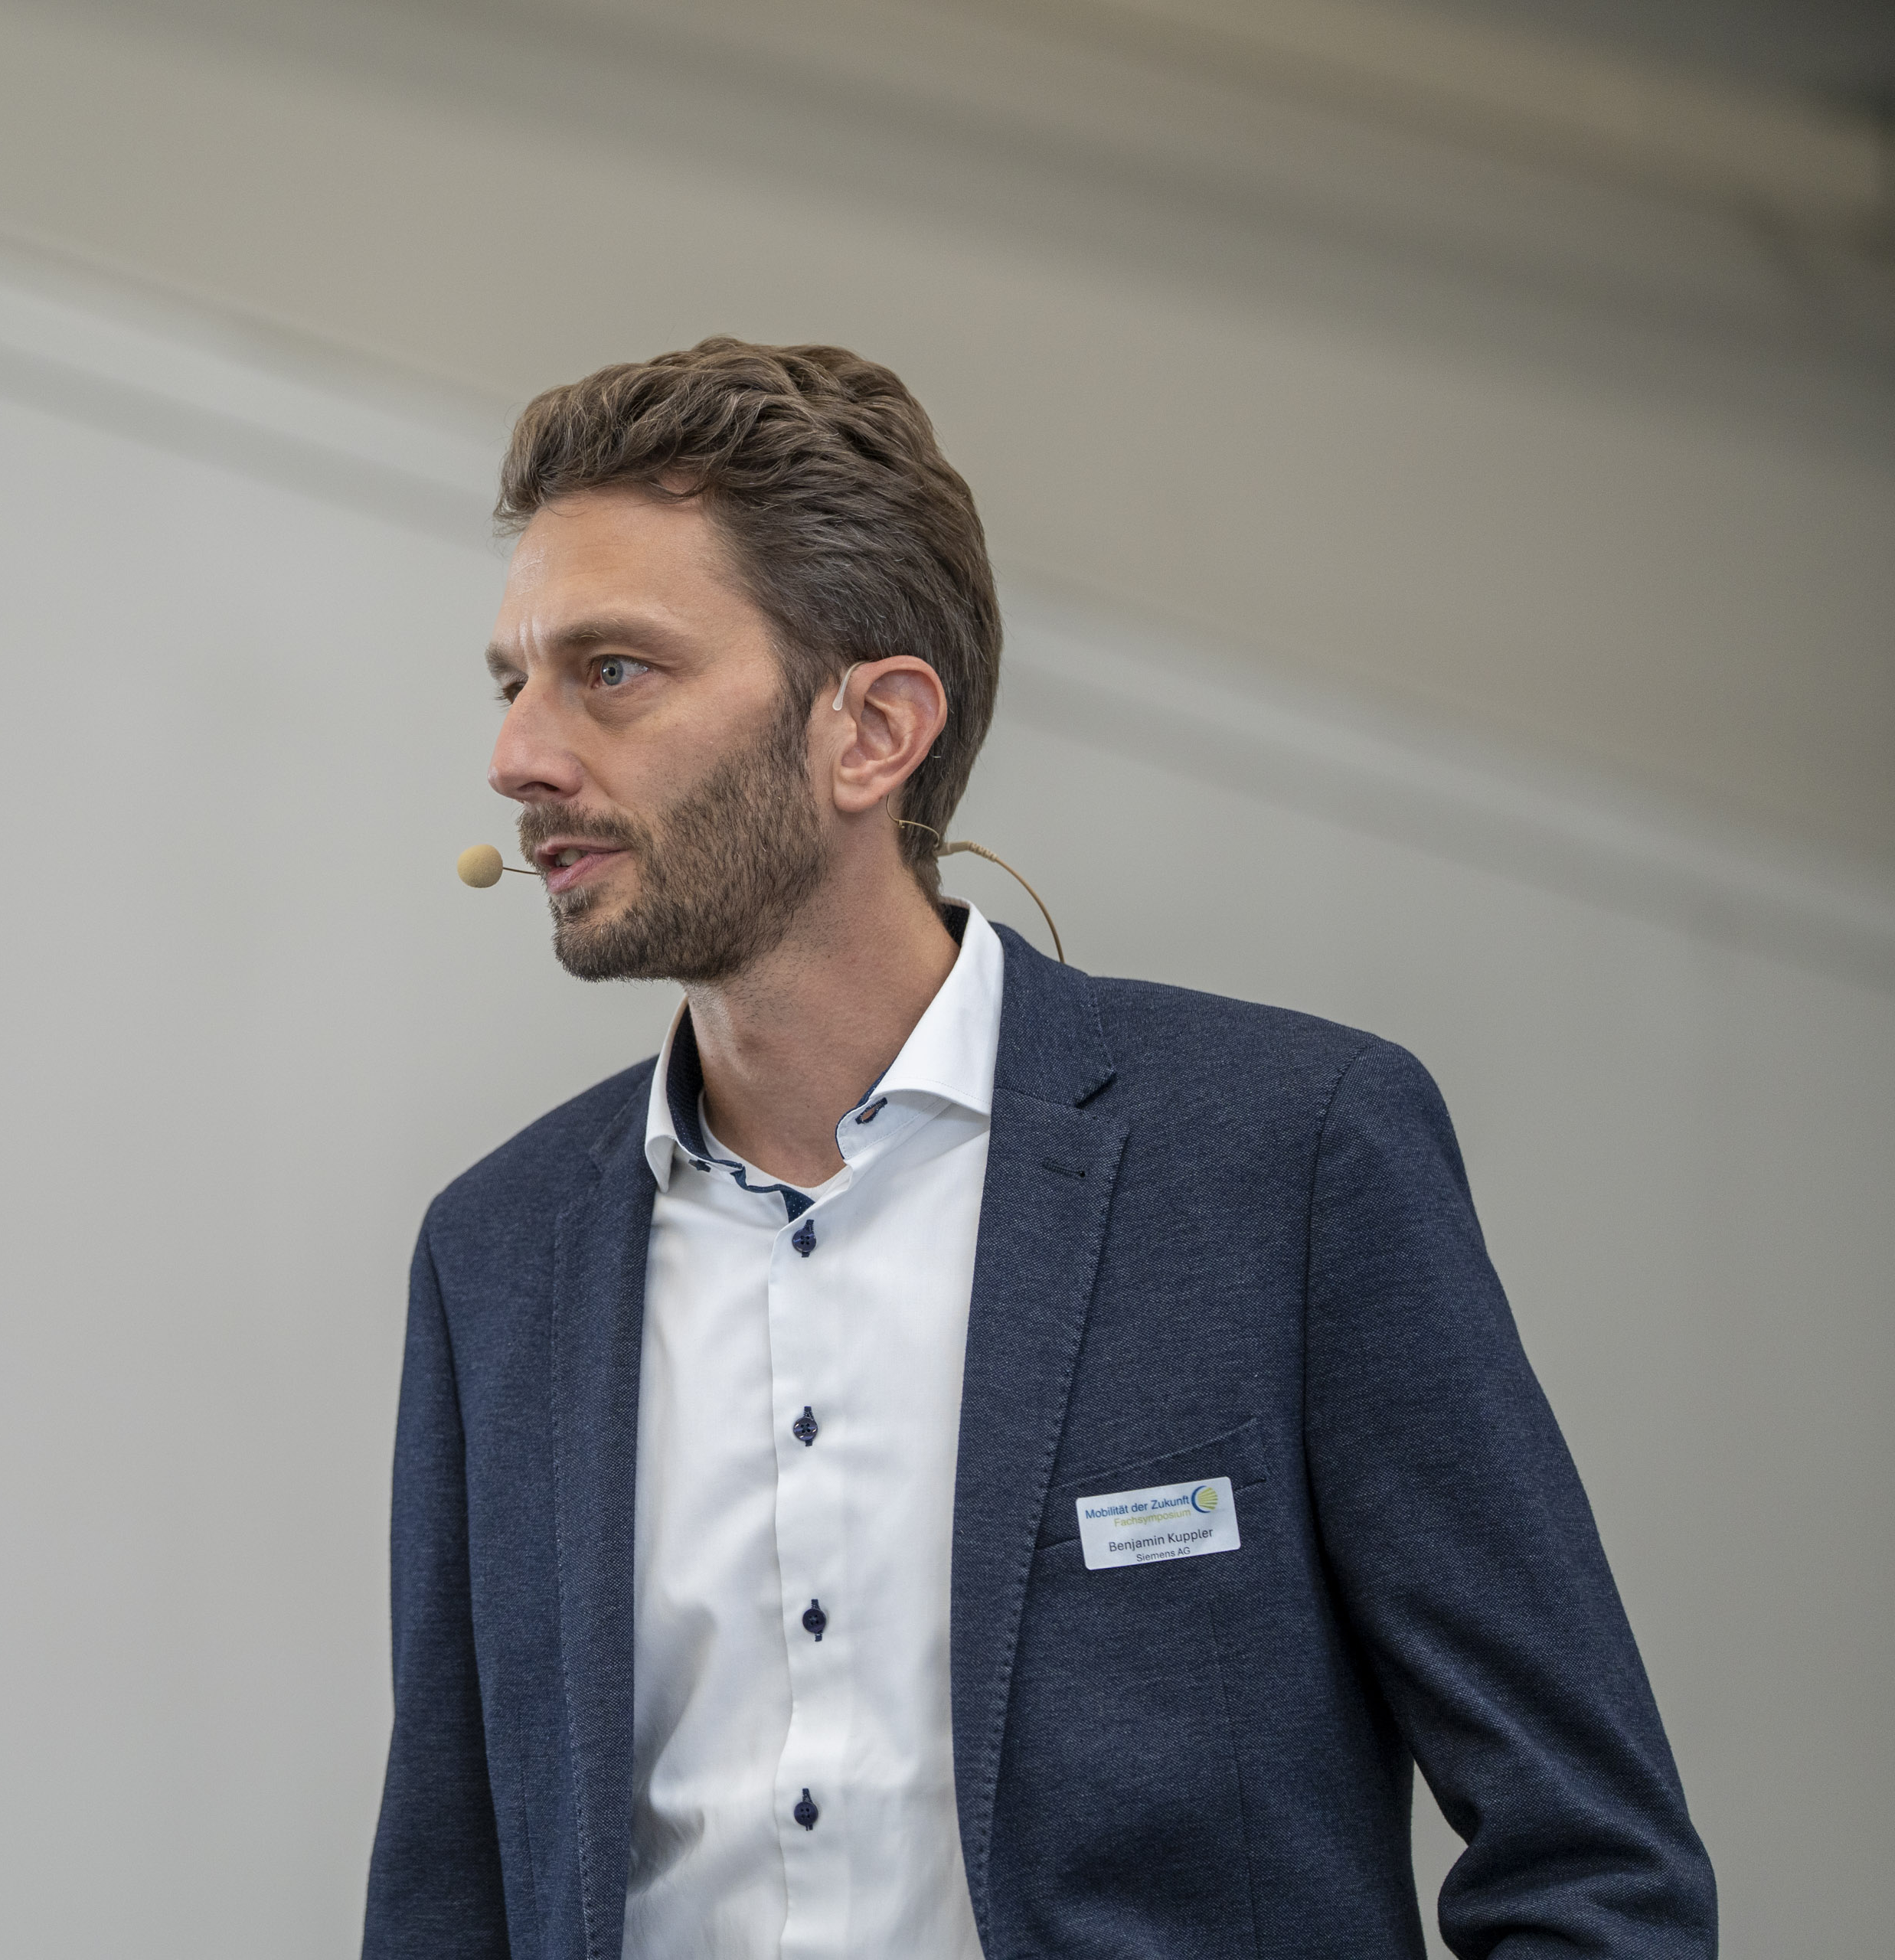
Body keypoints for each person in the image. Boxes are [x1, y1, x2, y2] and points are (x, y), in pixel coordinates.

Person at [361, 340, 1713, 1960]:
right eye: (511, 681)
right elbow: (446, 1899)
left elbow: (1595, 1865)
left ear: (873, 729)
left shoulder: (1287, 1159)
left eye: (612, 671)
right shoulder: (496, 1254)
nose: (518, 755)